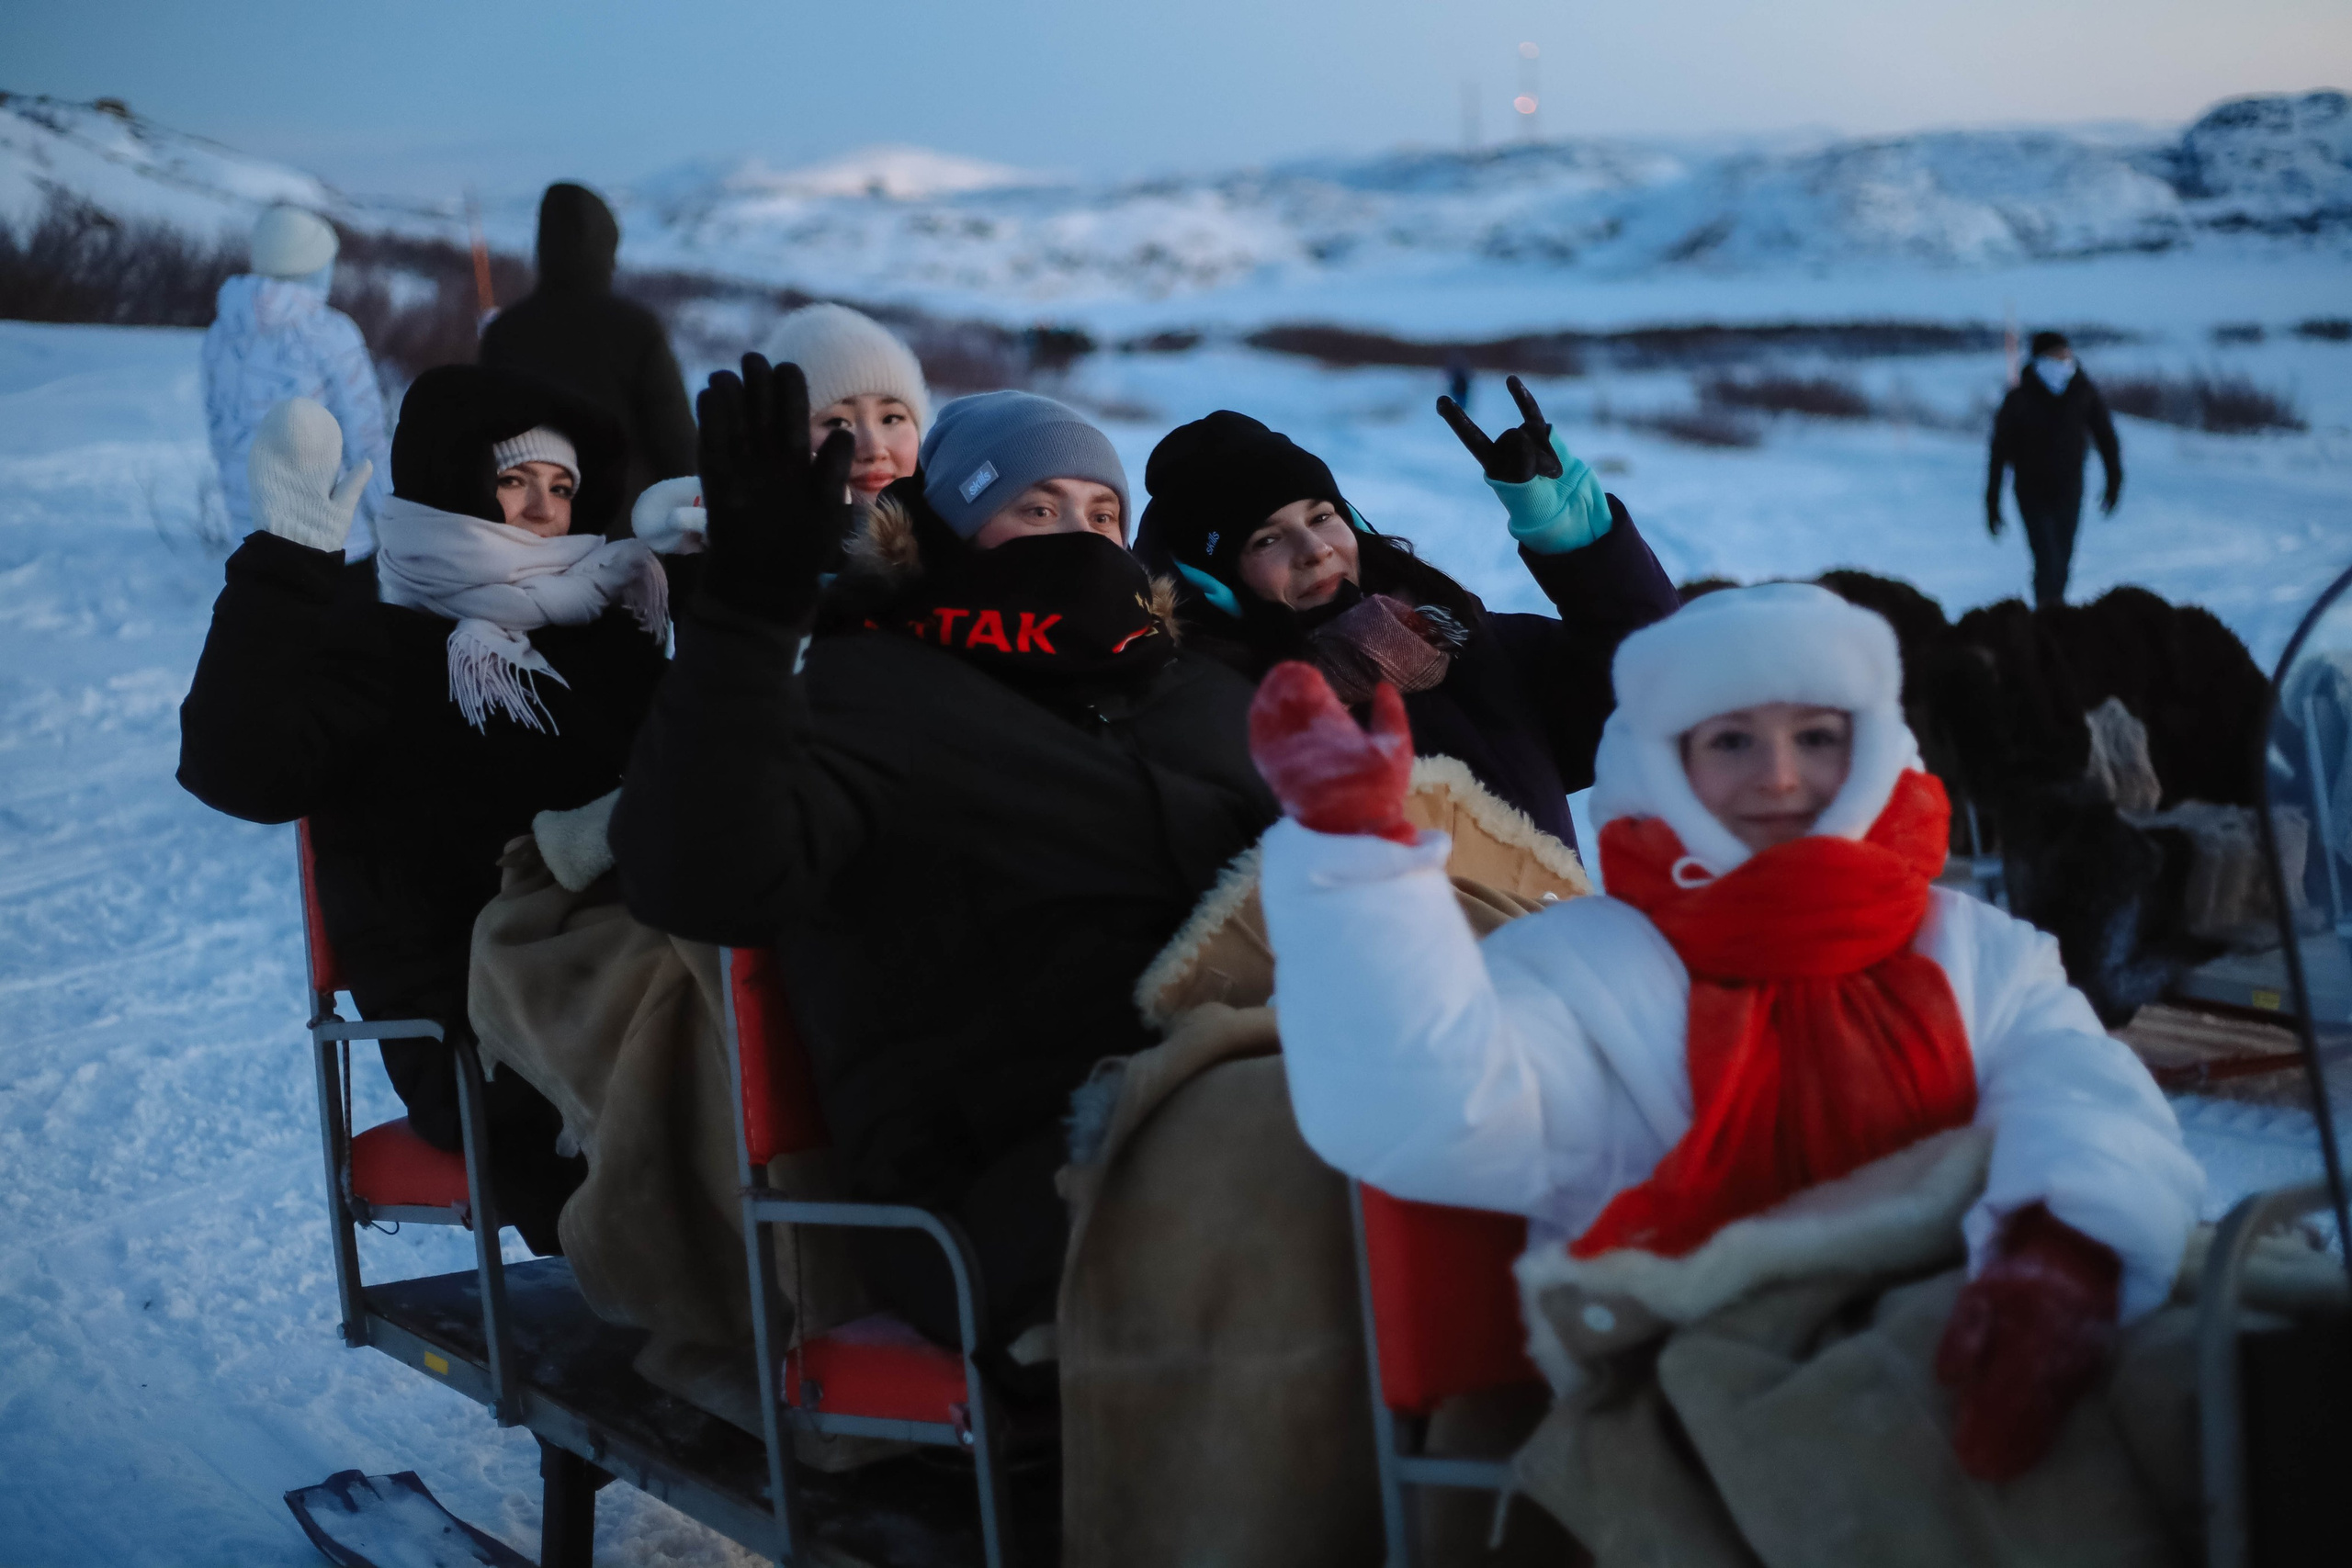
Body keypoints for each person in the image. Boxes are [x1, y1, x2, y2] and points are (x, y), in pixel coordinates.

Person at [1248, 581, 2202, 1482]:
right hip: (1692, 1406)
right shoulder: (1582, 967)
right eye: (1732, 741)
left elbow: (2088, 1102)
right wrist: (1354, 868)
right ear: (1663, 765)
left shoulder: (1977, 952)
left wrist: (2065, 1257)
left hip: (1967, 1337)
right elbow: (1427, 1117)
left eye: (1818, 736)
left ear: (1875, 750)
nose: (1779, 776)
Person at [613, 362, 1277, 1354]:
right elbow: (703, 873)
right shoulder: (871, 689)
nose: (1078, 539)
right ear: (947, 537)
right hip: (1001, 1182)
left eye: (1102, 514)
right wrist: (750, 609)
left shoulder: (1201, 695)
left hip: (1240, 1085)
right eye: (1035, 507)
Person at [177, 366, 674, 1251]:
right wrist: (288, 565)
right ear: (455, 482)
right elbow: (236, 768)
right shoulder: (381, 644)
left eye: (560, 487)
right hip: (476, 1029)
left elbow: (711, 787)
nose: (539, 505)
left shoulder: (606, 633)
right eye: (513, 478)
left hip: (629, 971)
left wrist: (715, 593)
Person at [1134, 377, 1678, 847]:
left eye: (1322, 516)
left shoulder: (1462, 644)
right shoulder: (1222, 722)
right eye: (1266, 540)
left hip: (1550, 954)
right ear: (1209, 583)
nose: (1315, 549)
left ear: (1357, 524)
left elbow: (1650, 691)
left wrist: (1582, 548)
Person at [480, 183, 697, 524]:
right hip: (624, 534)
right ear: (607, 250)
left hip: (531, 531)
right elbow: (677, 447)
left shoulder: (504, 332)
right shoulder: (635, 329)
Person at [202, 204, 390, 572]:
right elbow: (366, 441)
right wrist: (391, 523)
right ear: (311, 264)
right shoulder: (330, 334)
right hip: (336, 538)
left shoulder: (219, 334)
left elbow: (220, 434)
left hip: (253, 535)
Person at [1986, 331, 2122, 609]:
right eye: (2056, 355)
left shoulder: (2082, 391)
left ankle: (2052, 616)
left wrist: (2114, 480)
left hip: (2070, 490)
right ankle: (2048, 617)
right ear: (2040, 358)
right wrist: (1992, 501)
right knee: (2046, 559)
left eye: (2066, 354)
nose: (2064, 360)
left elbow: (2106, 438)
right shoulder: (2019, 398)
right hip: (2031, 492)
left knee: (2062, 562)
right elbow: (1998, 453)